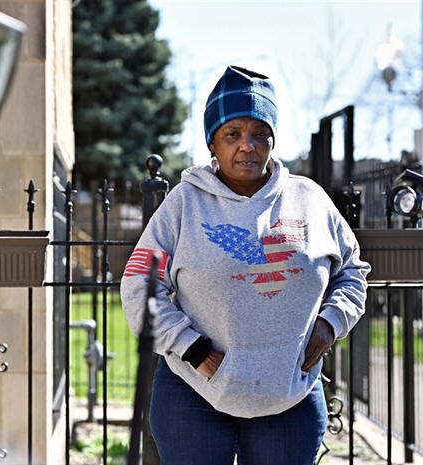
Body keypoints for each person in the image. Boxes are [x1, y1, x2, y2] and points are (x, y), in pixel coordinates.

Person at [120, 65, 370, 465]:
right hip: (193, 393)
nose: (247, 146)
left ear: (273, 140)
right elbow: (139, 283)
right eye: (232, 134)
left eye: (259, 134)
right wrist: (190, 347)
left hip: (289, 393)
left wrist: (331, 322)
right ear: (212, 144)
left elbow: (352, 271)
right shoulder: (183, 205)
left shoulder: (309, 200)